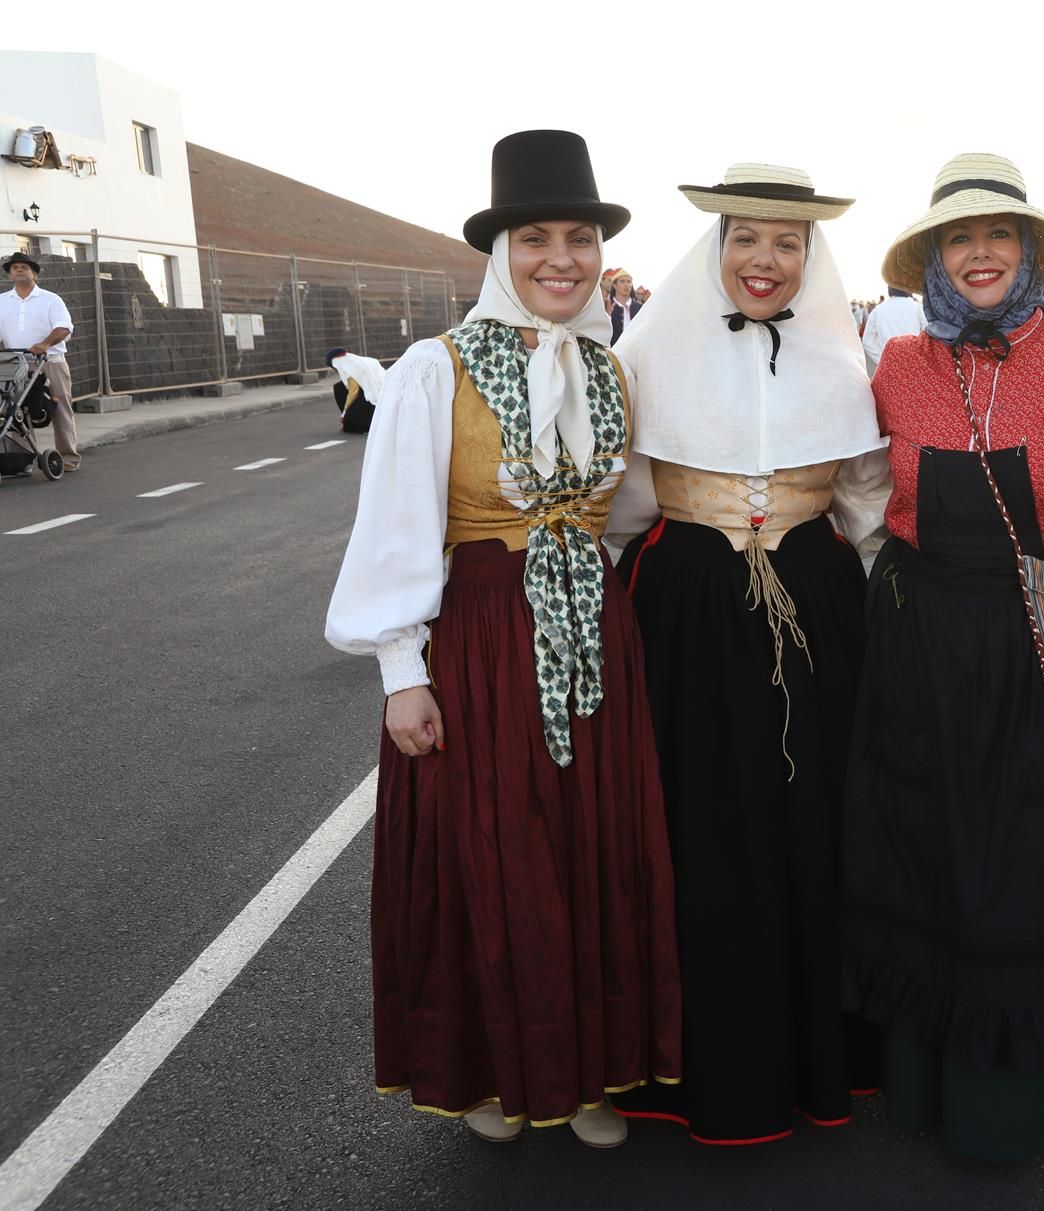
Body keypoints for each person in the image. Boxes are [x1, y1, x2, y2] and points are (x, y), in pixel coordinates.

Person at [324, 129, 681, 1149]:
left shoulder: (609, 370)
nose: (560, 258)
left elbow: (627, 512)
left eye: (578, 237)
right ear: (500, 252)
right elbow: (396, 527)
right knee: (493, 851)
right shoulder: (434, 370)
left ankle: (588, 1075)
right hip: (480, 638)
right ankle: (488, 1071)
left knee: (591, 850)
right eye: (536, 237)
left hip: (593, 637)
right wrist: (402, 672)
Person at [840, 152, 1044, 1164]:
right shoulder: (896, 366)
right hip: (920, 648)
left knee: (1025, 870)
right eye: (957, 238)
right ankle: (923, 1082)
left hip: (1036, 647)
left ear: (1028, 252)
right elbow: (850, 499)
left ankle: (1015, 1099)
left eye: (997, 235)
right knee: (926, 859)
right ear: (933, 258)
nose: (978, 253)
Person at [606, 162, 892, 1146]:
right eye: (745, 237)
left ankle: (823, 1054)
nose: (763, 259)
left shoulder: (839, 359)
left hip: (816, 608)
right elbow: (620, 503)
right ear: (715, 245)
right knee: (696, 828)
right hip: (687, 611)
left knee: (814, 824)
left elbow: (864, 503)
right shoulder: (647, 351)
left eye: (786, 242)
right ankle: (701, 1060)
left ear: (809, 256)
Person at [1, 252, 79, 471]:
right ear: (9, 274)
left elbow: (64, 327)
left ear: (34, 273)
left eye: (24, 267)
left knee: (60, 408)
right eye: (14, 267)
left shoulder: (51, 299)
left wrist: (45, 344)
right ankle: (21, 460)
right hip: (15, 363)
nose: (19, 269)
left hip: (50, 361)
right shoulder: (2, 302)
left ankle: (68, 458)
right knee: (14, 410)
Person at [860, 286, 924, 374]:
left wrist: (882, 360)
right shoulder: (918, 307)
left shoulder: (878, 310)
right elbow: (929, 336)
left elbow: (867, 341)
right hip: (913, 366)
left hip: (888, 370)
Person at [325, 346, 386, 434]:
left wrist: (345, 413)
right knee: (339, 387)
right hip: (374, 389)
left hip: (373, 396)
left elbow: (354, 392)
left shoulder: (350, 367)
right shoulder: (356, 362)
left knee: (350, 425)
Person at [606, 267, 642, 340]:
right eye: (622, 281)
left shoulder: (640, 308)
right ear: (615, 285)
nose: (626, 285)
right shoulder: (606, 305)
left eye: (629, 281)